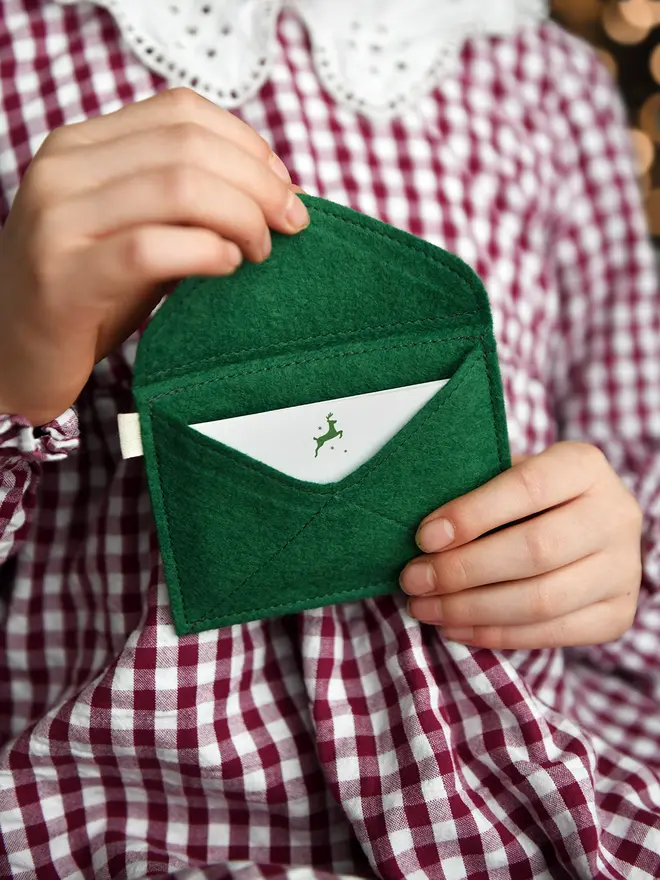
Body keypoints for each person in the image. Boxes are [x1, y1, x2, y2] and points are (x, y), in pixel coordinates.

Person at [1, 0, 659, 876]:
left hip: (533, 823)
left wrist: (615, 561)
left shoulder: (542, 81)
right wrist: (11, 373)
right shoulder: (16, 46)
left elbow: (637, 463)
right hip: (107, 832)